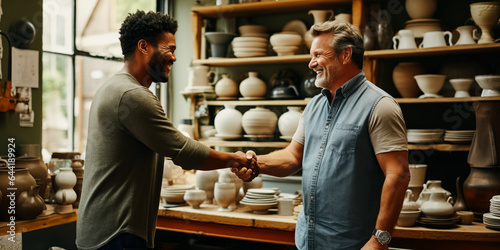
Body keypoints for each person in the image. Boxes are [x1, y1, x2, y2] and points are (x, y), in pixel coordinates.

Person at [76, 11, 255, 250]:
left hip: (103, 228)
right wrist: (235, 158)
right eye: (169, 49)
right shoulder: (132, 96)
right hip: (117, 232)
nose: (174, 58)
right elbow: (183, 151)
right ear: (143, 47)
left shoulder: (113, 87)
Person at [234, 20, 410, 250]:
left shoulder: (380, 106)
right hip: (309, 241)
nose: (311, 63)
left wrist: (379, 239)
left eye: (318, 54)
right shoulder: (314, 106)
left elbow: (398, 175)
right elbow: (293, 157)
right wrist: (254, 163)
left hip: (354, 244)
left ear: (346, 54)